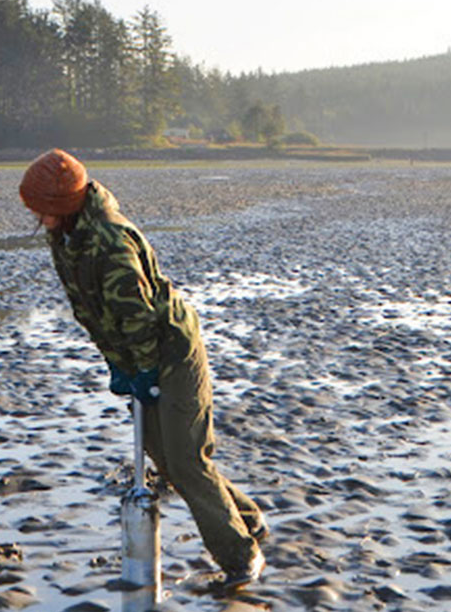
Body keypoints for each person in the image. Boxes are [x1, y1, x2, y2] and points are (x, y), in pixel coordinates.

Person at [18, 149, 268, 585]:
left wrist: (147, 371)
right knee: (165, 460)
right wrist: (119, 366)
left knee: (188, 460)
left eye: (41, 208)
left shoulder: (111, 241)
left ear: (62, 205)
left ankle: (241, 557)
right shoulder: (68, 236)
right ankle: (249, 519)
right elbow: (90, 311)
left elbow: (137, 316)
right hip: (137, 354)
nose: (36, 216)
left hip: (171, 349)